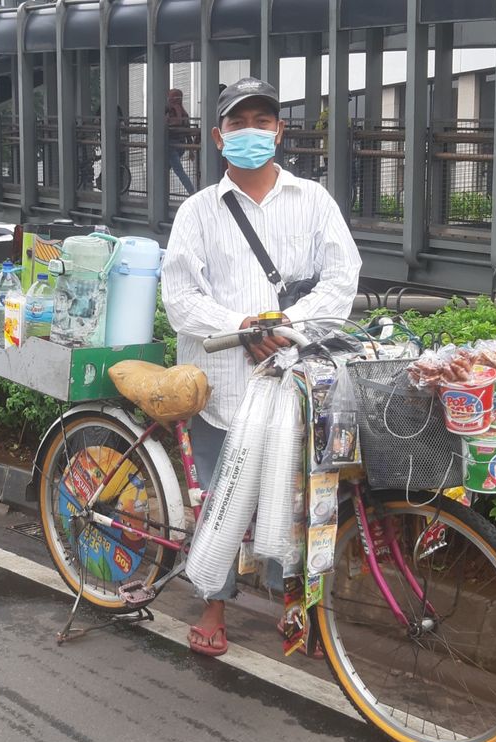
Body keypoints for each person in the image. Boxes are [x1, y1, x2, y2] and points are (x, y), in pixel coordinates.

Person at [160, 77, 362, 658]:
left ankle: (291, 604)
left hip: (293, 383)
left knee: (293, 500)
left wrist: (284, 324)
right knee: (219, 499)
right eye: (239, 122)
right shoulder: (198, 212)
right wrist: (245, 328)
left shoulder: (314, 201)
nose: (252, 131)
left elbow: (341, 277)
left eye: (263, 120)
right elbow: (180, 297)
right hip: (221, 384)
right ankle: (213, 605)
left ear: (279, 131)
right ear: (219, 136)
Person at [165, 89, 197, 196]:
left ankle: (192, 193)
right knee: (164, 170)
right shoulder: (184, 113)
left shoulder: (170, 112)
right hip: (181, 147)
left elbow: (170, 124)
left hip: (171, 147)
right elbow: (188, 133)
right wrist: (191, 150)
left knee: (179, 171)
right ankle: (161, 193)